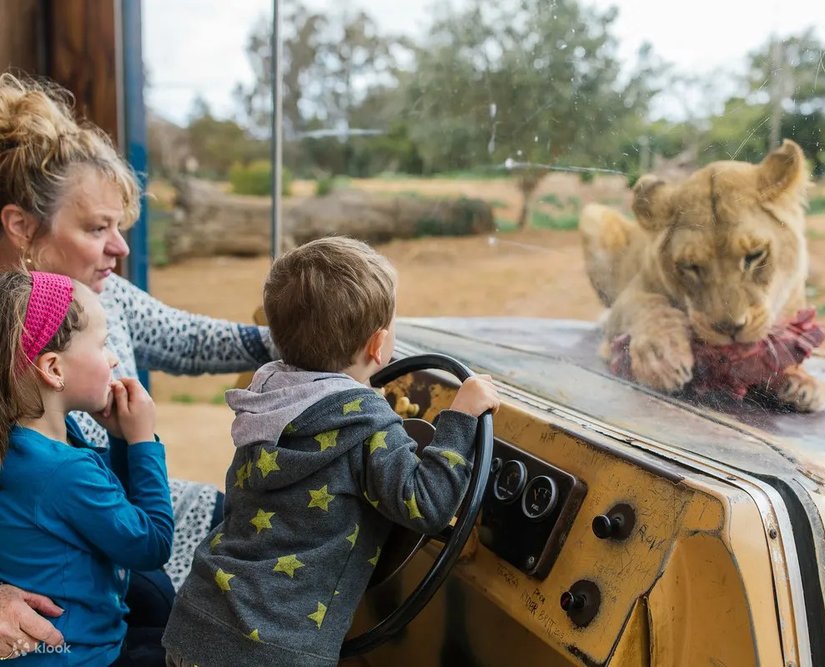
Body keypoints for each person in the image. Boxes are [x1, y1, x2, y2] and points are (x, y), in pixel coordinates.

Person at [0, 71, 277, 653]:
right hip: (69, 566)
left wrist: (296, 341)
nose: (121, 247)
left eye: (119, 226)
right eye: (98, 228)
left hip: (120, 515)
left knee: (270, 523)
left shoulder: (104, 294)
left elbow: (191, 340)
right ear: (22, 228)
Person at [162, 237, 500, 666]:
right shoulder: (367, 423)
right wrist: (462, 418)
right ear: (378, 346)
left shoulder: (264, 403)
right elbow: (429, 505)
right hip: (274, 652)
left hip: (198, 622)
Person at [0, 271, 173, 665]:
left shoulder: (24, 442)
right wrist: (141, 441)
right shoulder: (62, 470)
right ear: (54, 369)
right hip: (81, 655)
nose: (112, 357)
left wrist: (118, 440)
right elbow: (151, 544)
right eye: (103, 343)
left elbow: (111, 513)